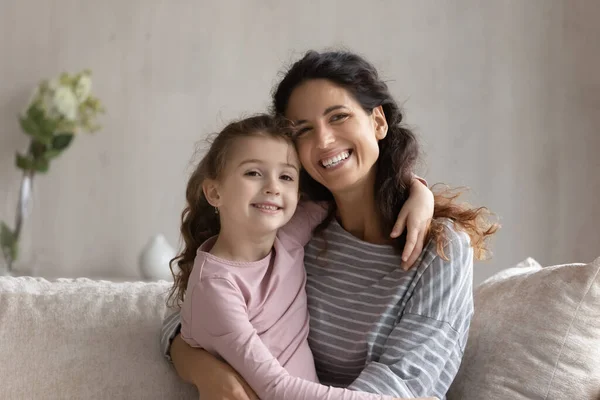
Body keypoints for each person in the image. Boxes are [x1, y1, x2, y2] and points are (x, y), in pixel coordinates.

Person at [162, 50, 498, 400]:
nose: (323, 141)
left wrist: (417, 189)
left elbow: (408, 386)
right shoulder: (292, 228)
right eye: (304, 130)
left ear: (378, 122)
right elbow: (190, 314)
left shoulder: (439, 247)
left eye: (338, 117)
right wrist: (206, 370)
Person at [173, 114, 436, 400]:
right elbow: (277, 388)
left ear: (298, 195)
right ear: (214, 191)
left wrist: (420, 192)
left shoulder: (289, 236)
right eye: (253, 173)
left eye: (286, 176)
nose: (273, 187)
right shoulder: (215, 287)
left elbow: (354, 191)